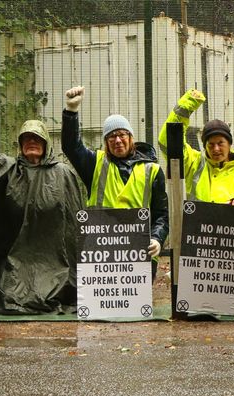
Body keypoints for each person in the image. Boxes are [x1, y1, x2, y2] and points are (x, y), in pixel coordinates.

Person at [0, 92, 86, 314]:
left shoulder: (63, 173)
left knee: (61, 295)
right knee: (12, 299)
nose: (32, 142)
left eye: (37, 138)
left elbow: (74, 225)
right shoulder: (9, 169)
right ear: (20, 144)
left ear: (46, 143)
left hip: (56, 263)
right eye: (27, 138)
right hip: (18, 261)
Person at [61, 87, 169, 264]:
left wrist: (157, 239)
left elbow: (161, 215)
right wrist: (71, 112)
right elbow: (71, 147)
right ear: (106, 142)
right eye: (111, 137)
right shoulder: (95, 164)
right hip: (101, 253)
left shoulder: (153, 170)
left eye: (121, 134)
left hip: (140, 254)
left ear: (130, 137)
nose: (117, 140)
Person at [156, 89, 234, 218]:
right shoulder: (193, 164)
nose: (215, 149)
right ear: (205, 147)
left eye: (220, 143)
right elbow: (167, 142)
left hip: (230, 237)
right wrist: (187, 104)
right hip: (197, 236)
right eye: (210, 144)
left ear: (229, 144)